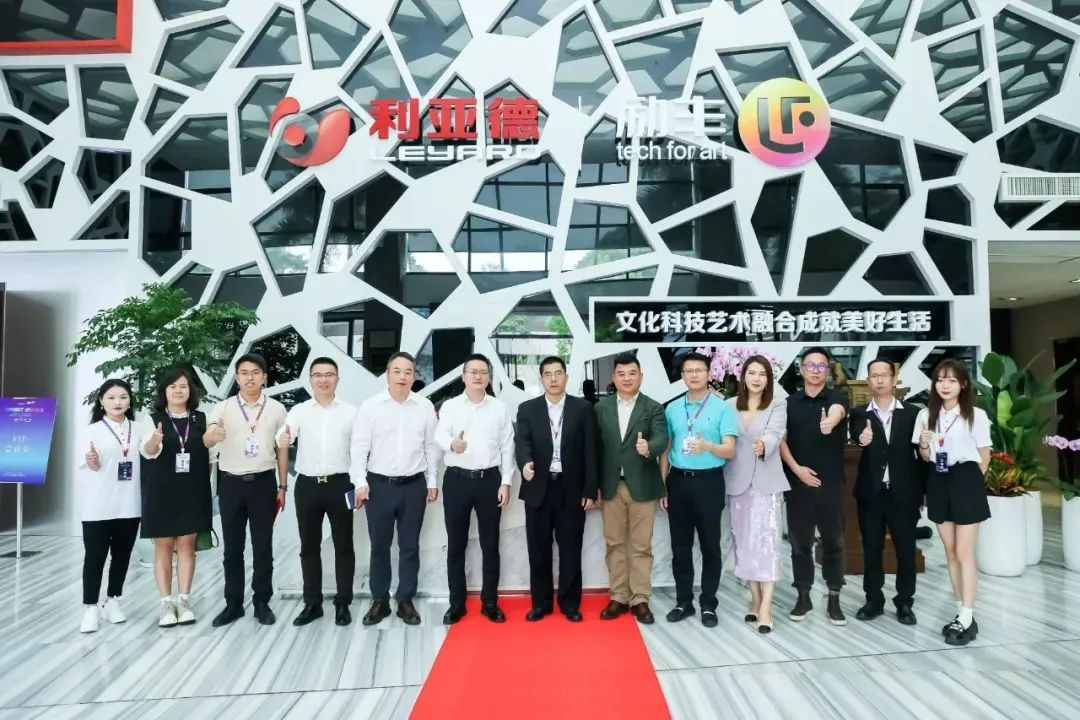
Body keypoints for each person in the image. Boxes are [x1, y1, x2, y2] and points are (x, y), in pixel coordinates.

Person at [351, 351, 440, 626]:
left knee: (409, 546)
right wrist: (360, 482)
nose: (403, 376)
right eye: (397, 371)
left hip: (414, 486)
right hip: (378, 486)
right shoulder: (370, 407)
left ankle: (405, 601)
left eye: (408, 372)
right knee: (379, 546)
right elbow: (359, 447)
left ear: (414, 376)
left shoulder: (424, 406)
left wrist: (432, 481)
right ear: (387, 374)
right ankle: (380, 601)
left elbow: (431, 447)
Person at [205, 353, 289, 627]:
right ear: (237, 377)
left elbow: (282, 449)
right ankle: (233, 603)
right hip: (230, 483)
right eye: (244, 372)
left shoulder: (277, 409)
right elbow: (209, 436)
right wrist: (212, 435)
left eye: (255, 372)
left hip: (263, 483)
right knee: (232, 548)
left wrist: (283, 485)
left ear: (264, 377)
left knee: (262, 546)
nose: (249, 377)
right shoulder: (223, 408)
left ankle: (262, 601)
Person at [912, 359, 991, 646]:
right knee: (951, 552)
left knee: (965, 551)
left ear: (963, 384)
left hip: (966, 478)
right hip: (938, 478)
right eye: (940, 380)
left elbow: (985, 455)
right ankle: (961, 612)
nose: (945, 385)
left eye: (952, 380)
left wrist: (973, 485)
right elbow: (924, 456)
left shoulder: (976, 415)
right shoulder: (925, 415)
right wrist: (924, 443)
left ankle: (968, 615)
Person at [515, 356, 600, 622]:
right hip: (538, 488)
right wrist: (525, 463)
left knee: (571, 547)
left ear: (566, 376)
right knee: (538, 549)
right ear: (541, 379)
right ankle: (540, 604)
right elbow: (522, 443)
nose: (553, 378)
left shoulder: (583, 408)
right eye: (548, 374)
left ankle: (569, 603)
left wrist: (590, 489)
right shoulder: (527, 409)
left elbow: (591, 450)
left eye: (558, 373)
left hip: (570, 489)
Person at [659, 352, 738, 628]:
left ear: (709, 374)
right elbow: (666, 449)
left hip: (709, 482)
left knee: (710, 546)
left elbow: (730, 450)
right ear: (682, 376)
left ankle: (708, 604)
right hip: (678, 481)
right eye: (688, 371)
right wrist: (662, 485)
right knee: (680, 546)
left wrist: (707, 446)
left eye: (699, 370)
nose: (693, 375)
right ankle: (683, 601)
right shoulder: (672, 408)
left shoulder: (722, 408)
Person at [277, 357, 357, 628]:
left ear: (337, 379)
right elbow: (284, 434)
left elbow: (360, 450)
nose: (323, 379)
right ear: (310, 379)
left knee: (344, 545)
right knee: (308, 546)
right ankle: (312, 603)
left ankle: (343, 603)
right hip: (307, 486)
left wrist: (360, 483)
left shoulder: (350, 412)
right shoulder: (299, 411)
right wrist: (283, 438)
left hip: (341, 485)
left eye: (329, 374)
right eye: (318, 375)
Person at [436, 353, 514, 625]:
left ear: (489, 377)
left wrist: (506, 481)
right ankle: (456, 604)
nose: (478, 376)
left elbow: (508, 446)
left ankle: (490, 602)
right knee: (456, 545)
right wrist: (451, 444)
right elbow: (439, 434)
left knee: (490, 544)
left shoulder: (499, 408)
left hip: (489, 481)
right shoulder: (450, 406)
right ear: (464, 376)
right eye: (473, 371)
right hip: (456, 480)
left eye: (483, 372)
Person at [850, 358, 925, 626]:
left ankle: (904, 602)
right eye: (874, 375)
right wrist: (862, 439)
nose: (880, 379)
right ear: (868, 381)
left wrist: (921, 494)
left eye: (884, 375)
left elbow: (922, 456)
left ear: (894, 379)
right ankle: (873, 600)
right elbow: (857, 436)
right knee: (872, 549)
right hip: (871, 494)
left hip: (903, 494)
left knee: (906, 550)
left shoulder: (913, 414)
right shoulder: (859, 413)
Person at [596, 353, 668, 624]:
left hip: (643, 486)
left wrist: (649, 447)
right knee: (614, 544)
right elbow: (594, 448)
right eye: (621, 374)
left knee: (641, 546)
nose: (627, 378)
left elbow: (662, 437)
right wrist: (594, 486)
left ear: (641, 376)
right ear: (614, 378)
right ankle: (618, 597)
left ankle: (640, 599)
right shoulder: (601, 408)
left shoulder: (653, 407)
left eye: (632, 373)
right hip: (611, 487)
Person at [779, 346, 849, 626]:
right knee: (800, 544)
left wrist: (830, 421)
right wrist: (797, 469)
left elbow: (837, 412)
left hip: (830, 486)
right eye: (811, 365)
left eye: (821, 366)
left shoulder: (836, 398)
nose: (816, 370)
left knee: (834, 543)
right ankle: (803, 596)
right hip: (798, 485)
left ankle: (834, 597)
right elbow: (781, 440)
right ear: (802, 369)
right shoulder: (789, 403)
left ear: (827, 370)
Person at [139, 367, 212, 628]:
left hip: (192, 490)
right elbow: (147, 451)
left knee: (187, 546)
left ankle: (184, 601)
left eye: (183, 386)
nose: (178, 391)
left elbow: (209, 457)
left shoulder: (201, 418)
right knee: (163, 546)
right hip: (161, 491)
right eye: (173, 387)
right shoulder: (151, 419)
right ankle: (166, 603)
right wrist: (154, 441)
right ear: (164, 391)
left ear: (191, 391)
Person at [724, 356, 788, 634]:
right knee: (745, 545)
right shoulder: (729, 405)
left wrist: (764, 444)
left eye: (762, 374)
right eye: (752, 373)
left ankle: (766, 607)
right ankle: (755, 599)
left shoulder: (778, 404)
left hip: (766, 482)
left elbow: (775, 433)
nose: (757, 378)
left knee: (768, 544)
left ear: (768, 379)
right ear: (743, 377)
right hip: (738, 483)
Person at [78, 379, 144, 634]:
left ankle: (112, 600)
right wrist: (92, 460)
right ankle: (90, 608)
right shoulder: (91, 431)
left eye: (123, 397)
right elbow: (90, 465)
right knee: (95, 557)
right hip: (98, 505)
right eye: (111, 397)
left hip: (129, 504)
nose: (118, 402)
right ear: (101, 401)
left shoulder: (139, 428)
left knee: (122, 556)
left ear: (130, 401)